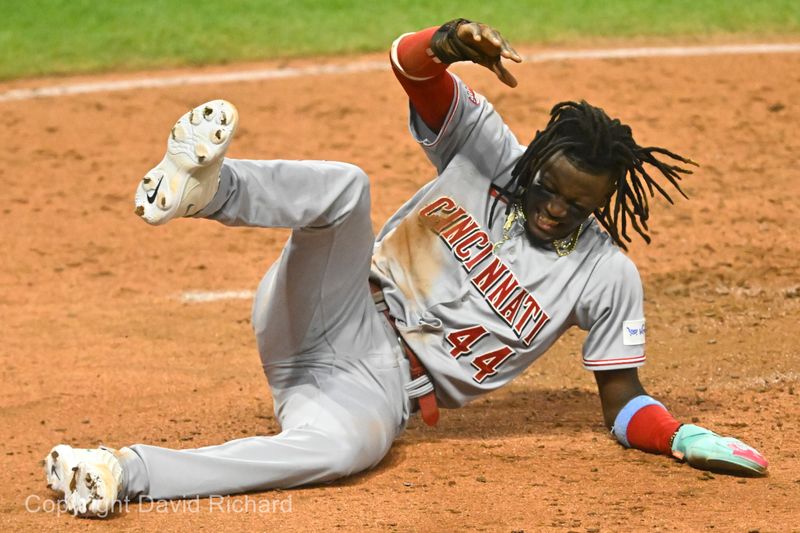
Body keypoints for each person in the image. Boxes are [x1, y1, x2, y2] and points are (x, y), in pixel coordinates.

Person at [44, 19, 767, 518]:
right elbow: (410, 67)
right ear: (538, 159)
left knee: (344, 450)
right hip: (330, 305)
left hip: (377, 389)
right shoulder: (490, 152)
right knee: (345, 190)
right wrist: (447, 41)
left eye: (580, 205)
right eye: (550, 186)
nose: (555, 209)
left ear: (605, 203)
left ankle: (118, 472)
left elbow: (623, 399)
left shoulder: (605, 275)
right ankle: (214, 188)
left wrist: (675, 434)